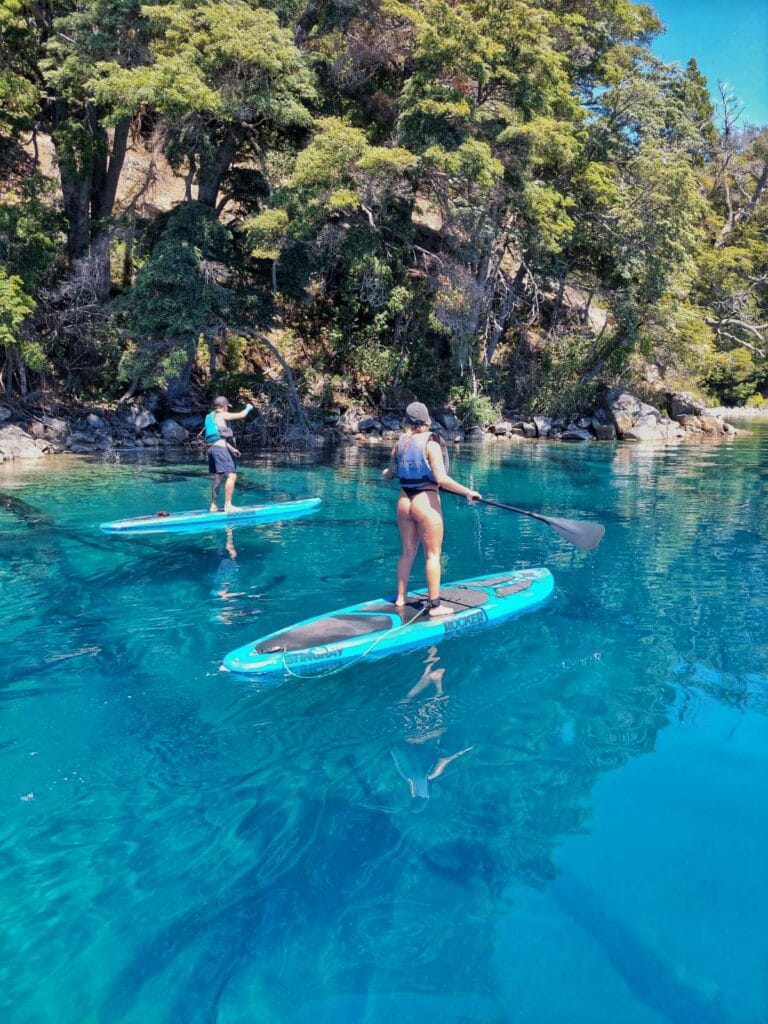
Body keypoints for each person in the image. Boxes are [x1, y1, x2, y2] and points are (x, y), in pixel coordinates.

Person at [383, 400, 481, 617]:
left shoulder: (400, 442)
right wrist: (468, 492)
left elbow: (390, 473)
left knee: (407, 552)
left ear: (407, 421)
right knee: (433, 555)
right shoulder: (431, 443)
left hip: (404, 501)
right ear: (426, 420)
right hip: (425, 501)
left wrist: (385, 473)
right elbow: (441, 478)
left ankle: (401, 598)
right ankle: (435, 606)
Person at [205, 395, 253, 513]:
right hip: (219, 450)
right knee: (232, 476)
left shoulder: (210, 417)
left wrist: (232, 449)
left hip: (212, 450)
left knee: (218, 477)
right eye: (227, 406)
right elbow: (241, 414)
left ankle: (213, 506)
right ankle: (228, 505)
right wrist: (248, 408)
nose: (228, 408)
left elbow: (217, 438)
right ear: (223, 406)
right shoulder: (222, 415)